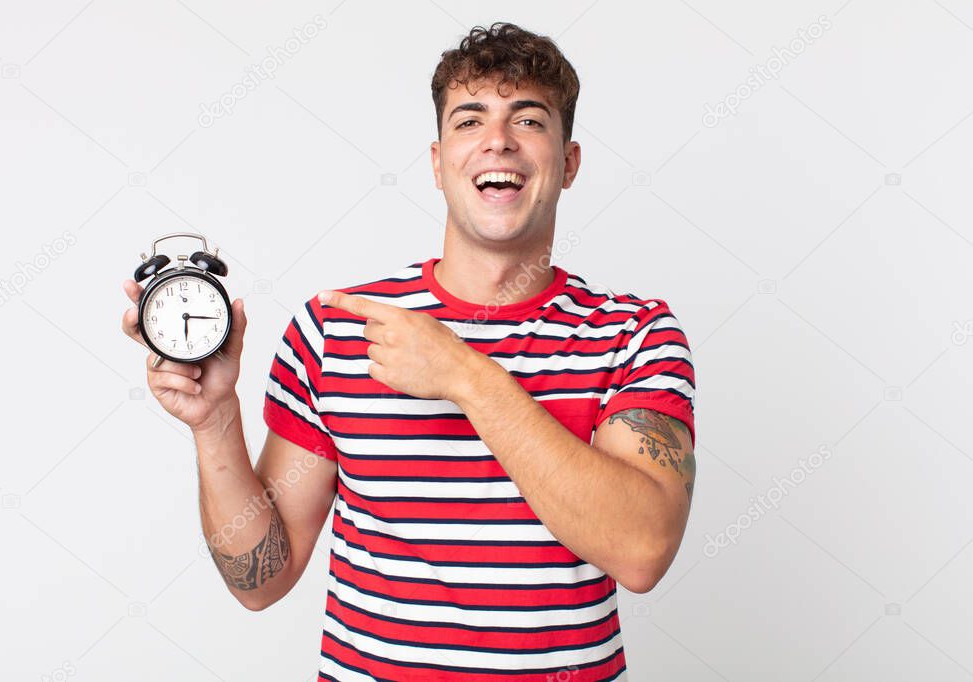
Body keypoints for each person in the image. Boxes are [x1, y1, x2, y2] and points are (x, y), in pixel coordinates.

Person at [121, 21, 696, 681]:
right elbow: (261, 581)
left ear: (567, 164)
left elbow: (641, 550)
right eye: (470, 120)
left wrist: (465, 376)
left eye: (529, 120)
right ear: (437, 161)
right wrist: (214, 420)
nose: (497, 141)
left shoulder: (634, 334)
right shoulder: (335, 330)